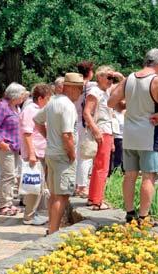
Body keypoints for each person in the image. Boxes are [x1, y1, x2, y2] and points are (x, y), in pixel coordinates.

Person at [108, 48, 158, 225]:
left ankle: (130, 213)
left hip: (129, 135)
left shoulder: (129, 78)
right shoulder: (157, 80)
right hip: (149, 134)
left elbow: (111, 101)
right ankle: (144, 217)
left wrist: (126, 106)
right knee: (148, 176)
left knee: (129, 175)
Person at [34, 73, 83, 234]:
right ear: (69, 88)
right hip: (63, 155)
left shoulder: (52, 102)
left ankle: (51, 228)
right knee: (62, 197)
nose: (80, 92)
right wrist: (72, 154)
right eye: (79, 88)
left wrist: (49, 137)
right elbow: (67, 135)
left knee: (54, 195)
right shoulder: (68, 106)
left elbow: (37, 120)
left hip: (51, 153)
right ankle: (53, 232)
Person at [83, 66, 125, 210]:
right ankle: (97, 201)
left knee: (99, 166)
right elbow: (86, 112)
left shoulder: (105, 91)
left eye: (111, 78)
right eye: (108, 77)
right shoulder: (95, 92)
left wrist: (118, 76)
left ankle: (93, 197)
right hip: (102, 131)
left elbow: (124, 88)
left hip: (107, 131)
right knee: (102, 167)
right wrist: (95, 130)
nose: (110, 80)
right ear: (99, 77)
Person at [0, 82, 27, 216]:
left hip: (15, 147)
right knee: (8, 176)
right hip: (6, 147)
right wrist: (0, 142)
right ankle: (3, 205)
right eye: (22, 95)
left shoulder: (15, 107)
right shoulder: (3, 106)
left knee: (12, 176)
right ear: (15, 95)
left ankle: (9, 203)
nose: (23, 98)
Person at [19, 84, 52, 225]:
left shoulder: (40, 110)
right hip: (35, 153)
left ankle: (36, 213)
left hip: (41, 151)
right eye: (48, 98)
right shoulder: (30, 111)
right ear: (40, 98)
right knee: (34, 185)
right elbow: (27, 134)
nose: (50, 101)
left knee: (40, 185)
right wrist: (31, 154)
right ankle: (29, 216)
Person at [74, 62, 95, 198]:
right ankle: (82, 186)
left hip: (75, 121)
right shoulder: (90, 86)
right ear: (90, 72)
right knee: (85, 156)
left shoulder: (74, 86)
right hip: (85, 123)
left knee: (76, 155)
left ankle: (76, 185)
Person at [110, 102, 125, 174]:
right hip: (118, 138)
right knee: (118, 158)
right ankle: (116, 173)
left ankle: (123, 172)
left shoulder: (125, 113)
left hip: (125, 138)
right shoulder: (114, 114)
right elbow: (112, 128)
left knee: (124, 158)